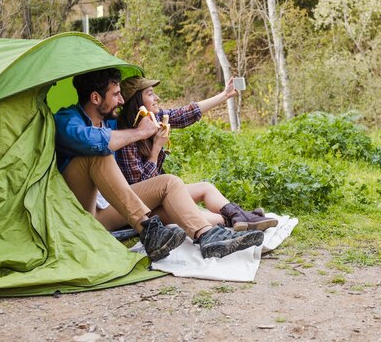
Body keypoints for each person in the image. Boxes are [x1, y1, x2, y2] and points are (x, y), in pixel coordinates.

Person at [53, 68, 264, 261]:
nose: (121, 100)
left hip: (111, 209)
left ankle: (208, 235)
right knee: (99, 151)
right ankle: (148, 230)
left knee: (169, 183)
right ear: (96, 97)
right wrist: (140, 134)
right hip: (83, 213)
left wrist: (223, 96)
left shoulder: (112, 121)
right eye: (116, 94)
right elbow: (95, 142)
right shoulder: (67, 120)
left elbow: (176, 115)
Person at [116, 75, 278, 231]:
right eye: (150, 94)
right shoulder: (127, 136)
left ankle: (240, 216)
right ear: (137, 102)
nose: (157, 98)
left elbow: (186, 113)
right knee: (197, 214)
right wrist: (156, 149)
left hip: (162, 194)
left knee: (206, 188)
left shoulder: (153, 118)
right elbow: (141, 189)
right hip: (142, 208)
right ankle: (242, 218)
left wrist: (224, 95)